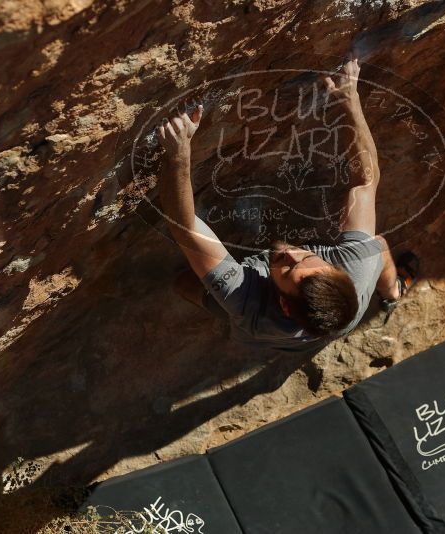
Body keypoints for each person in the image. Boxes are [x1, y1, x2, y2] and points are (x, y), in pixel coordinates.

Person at [157, 58, 417, 354]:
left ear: (281, 301)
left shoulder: (246, 302)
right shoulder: (356, 266)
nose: (290, 252)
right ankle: (393, 290)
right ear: (338, 271)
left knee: (185, 284)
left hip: (259, 332)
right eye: (308, 257)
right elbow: (365, 181)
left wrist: (177, 155)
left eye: (287, 268)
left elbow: (185, 227)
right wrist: (349, 97)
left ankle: (389, 291)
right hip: (334, 319)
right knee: (375, 246)